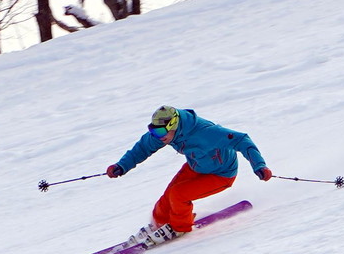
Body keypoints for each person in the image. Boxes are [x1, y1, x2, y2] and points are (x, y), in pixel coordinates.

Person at [107, 105, 272, 245]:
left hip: (222, 173)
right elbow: (142, 148)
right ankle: (159, 224)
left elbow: (242, 140)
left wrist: (259, 165)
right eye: (153, 131)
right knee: (167, 198)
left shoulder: (206, 132)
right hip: (196, 166)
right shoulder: (164, 134)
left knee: (178, 194)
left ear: (174, 125)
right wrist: (122, 166)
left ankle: (179, 227)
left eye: (161, 131)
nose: (158, 135)